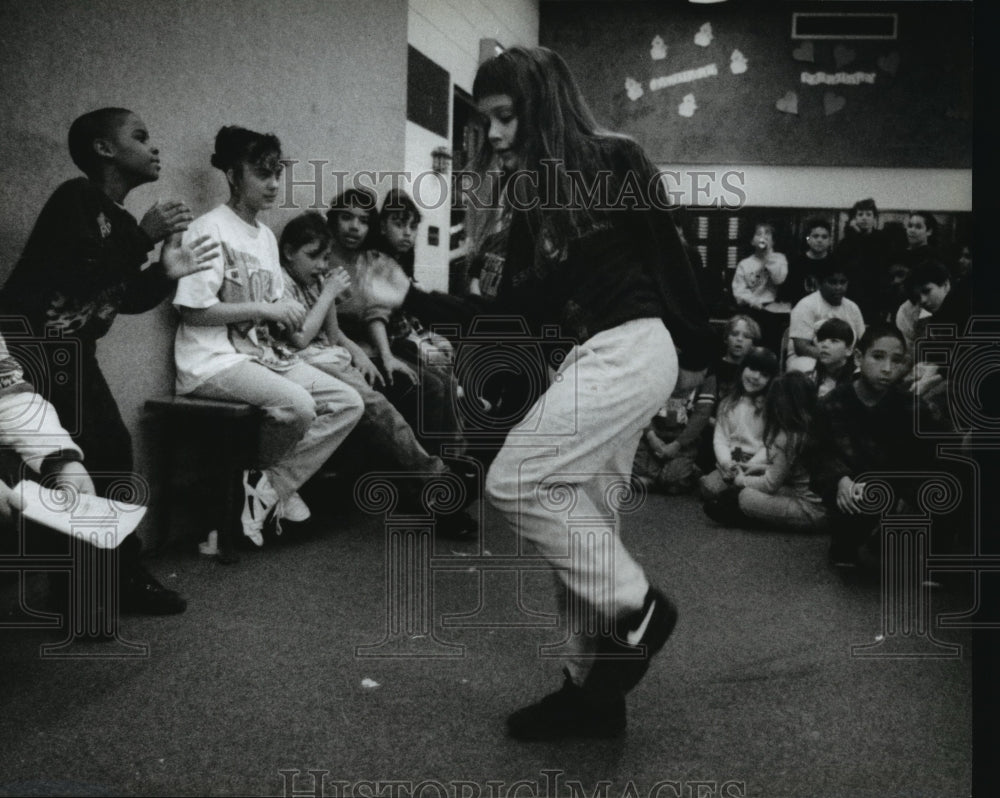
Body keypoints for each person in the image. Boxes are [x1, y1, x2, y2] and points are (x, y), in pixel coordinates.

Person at [366, 46, 716, 739]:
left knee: (518, 482)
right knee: (585, 525)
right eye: (485, 122)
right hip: (595, 357)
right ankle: (592, 693)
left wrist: (699, 354)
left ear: (541, 104)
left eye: (503, 117)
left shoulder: (616, 158)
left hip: (636, 346)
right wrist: (414, 298)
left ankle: (641, 608)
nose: (493, 135)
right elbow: (523, 309)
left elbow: (670, 254)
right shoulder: (532, 199)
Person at [0, 107, 220, 615]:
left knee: (107, 453)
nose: (154, 147)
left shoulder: (121, 223)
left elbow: (120, 295)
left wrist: (165, 273)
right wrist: (143, 238)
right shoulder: (75, 198)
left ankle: (108, 578)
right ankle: (85, 584)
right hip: (23, 347)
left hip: (72, 354)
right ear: (104, 149)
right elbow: (81, 269)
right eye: (140, 137)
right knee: (67, 461)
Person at [172, 126, 364, 546]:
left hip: (260, 355)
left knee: (348, 401)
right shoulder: (208, 230)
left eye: (278, 172)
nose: (274, 183)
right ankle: (267, 490)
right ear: (233, 175)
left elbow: (280, 319)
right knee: (298, 405)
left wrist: (320, 304)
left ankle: (268, 487)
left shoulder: (263, 238)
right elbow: (193, 311)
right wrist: (265, 309)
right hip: (211, 362)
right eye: (263, 173)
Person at [277, 211, 476, 537]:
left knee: (421, 388)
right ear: (288, 252)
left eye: (324, 257)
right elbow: (299, 338)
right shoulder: (284, 283)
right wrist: (329, 296)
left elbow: (334, 335)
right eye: (314, 256)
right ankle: (438, 480)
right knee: (377, 406)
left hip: (336, 358)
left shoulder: (327, 276)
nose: (320, 265)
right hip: (309, 364)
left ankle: (439, 479)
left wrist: (359, 355)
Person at [326, 188, 463, 455]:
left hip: (376, 343)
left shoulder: (371, 259)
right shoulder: (324, 255)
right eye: (347, 218)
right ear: (333, 220)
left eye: (363, 221)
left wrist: (386, 354)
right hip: (342, 347)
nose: (355, 227)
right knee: (430, 387)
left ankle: (447, 458)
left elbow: (375, 313)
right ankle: (429, 468)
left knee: (439, 381)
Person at [806, 325, 932, 570]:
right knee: (851, 525)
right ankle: (850, 542)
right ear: (858, 358)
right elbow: (815, 452)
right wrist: (839, 478)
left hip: (899, 488)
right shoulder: (831, 404)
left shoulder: (912, 407)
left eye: (896, 361)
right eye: (878, 357)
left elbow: (930, 452)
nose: (887, 369)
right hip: (855, 489)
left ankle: (892, 538)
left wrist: (915, 490)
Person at [724, 371, 828, 531]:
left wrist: (740, 480)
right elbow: (792, 472)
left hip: (811, 511)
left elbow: (769, 485)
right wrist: (759, 468)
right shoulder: (813, 427)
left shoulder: (786, 436)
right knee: (768, 488)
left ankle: (752, 518)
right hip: (826, 505)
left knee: (746, 496)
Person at [699, 346, 778, 507]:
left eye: (764, 375)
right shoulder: (727, 403)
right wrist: (727, 463)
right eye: (752, 369)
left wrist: (750, 466)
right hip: (732, 461)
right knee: (710, 488)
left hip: (758, 465)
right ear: (743, 369)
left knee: (744, 491)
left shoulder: (771, 408)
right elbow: (720, 439)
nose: (756, 377)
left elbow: (769, 444)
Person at [786, 260, 865, 373]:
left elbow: (861, 342)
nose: (838, 287)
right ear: (819, 284)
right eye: (832, 282)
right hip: (809, 358)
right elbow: (801, 348)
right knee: (806, 369)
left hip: (845, 360)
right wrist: (833, 358)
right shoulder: (806, 305)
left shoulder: (852, 308)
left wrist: (844, 360)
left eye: (843, 282)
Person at [731, 222, 788, 351]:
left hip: (773, 312)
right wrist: (754, 302)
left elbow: (779, 279)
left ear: (773, 241)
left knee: (770, 346)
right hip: (751, 310)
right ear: (752, 241)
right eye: (759, 234)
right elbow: (739, 291)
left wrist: (768, 255)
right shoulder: (745, 264)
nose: (763, 237)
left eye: (767, 234)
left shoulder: (779, 259)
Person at [835, 198, 892, 323]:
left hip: (876, 296)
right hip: (852, 294)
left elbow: (886, 269)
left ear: (874, 218)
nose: (864, 218)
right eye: (860, 214)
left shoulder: (882, 240)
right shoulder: (846, 242)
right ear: (854, 219)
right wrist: (854, 235)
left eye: (868, 214)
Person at [781, 217, 831, 307]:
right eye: (815, 236)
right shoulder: (796, 263)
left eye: (824, 237)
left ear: (829, 241)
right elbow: (788, 293)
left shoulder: (836, 262)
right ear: (808, 239)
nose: (820, 240)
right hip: (801, 310)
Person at [805, 318, 856, 398]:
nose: (824, 345)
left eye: (834, 341)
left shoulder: (858, 381)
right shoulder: (810, 379)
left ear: (849, 350)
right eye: (821, 339)